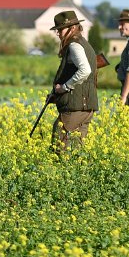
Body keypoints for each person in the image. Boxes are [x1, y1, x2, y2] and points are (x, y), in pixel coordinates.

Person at [49, 10, 98, 151]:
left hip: (75, 106)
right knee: (77, 150)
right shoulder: (84, 43)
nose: (58, 33)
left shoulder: (74, 45)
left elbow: (85, 70)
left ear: (71, 28)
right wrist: (56, 95)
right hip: (87, 105)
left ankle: (57, 171)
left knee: (58, 147)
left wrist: (64, 87)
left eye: (60, 30)